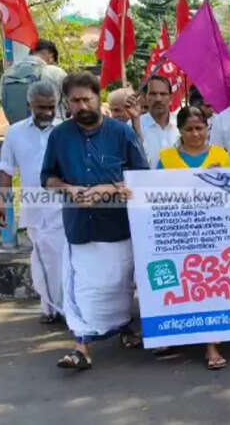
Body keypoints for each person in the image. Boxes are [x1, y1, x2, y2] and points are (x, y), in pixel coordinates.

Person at [41, 72, 149, 370]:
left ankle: (124, 327)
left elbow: (141, 178)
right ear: (67, 103)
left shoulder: (121, 133)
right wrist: (68, 189)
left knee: (119, 283)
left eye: (86, 99)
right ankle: (81, 346)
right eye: (74, 101)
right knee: (82, 287)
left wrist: (108, 189)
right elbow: (47, 177)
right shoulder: (59, 136)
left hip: (118, 225)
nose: (81, 106)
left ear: (98, 99)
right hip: (80, 225)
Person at [156, 106, 230, 370]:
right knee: (183, 287)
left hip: (215, 233)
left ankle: (212, 345)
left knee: (211, 286)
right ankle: (175, 333)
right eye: (189, 129)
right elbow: (153, 194)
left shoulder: (220, 156)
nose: (195, 133)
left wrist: (218, 179)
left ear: (207, 129)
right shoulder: (165, 159)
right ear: (179, 130)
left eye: (200, 128)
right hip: (179, 234)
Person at [0, 81, 65, 324]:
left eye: (51, 107)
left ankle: (66, 308)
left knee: (65, 258)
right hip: (35, 209)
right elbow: (5, 168)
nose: (47, 113)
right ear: (29, 105)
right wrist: (0, 206)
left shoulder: (65, 129)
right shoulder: (14, 132)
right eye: (41, 108)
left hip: (64, 206)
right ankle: (49, 307)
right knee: (42, 260)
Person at [0, 39, 67, 124]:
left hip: (19, 129)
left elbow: (3, 101)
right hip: (51, 129)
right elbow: (70, 100)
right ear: (51, 56)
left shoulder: (7, 74)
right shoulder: (54, 71)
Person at [139, 75, 179, 169]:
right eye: (153, 94)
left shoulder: (182, 124)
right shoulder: (134, 125)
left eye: (163, 94)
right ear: (145, 97)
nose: (158, 99)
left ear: (170, 98)